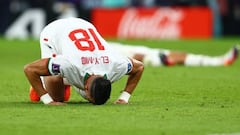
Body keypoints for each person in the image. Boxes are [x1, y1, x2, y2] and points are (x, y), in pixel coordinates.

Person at [23, 17, 144, 105]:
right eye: (90, 98)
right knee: (56, 96)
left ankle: (64, 80)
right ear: (86, 87)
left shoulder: (115, 65)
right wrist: (47, 100)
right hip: (54, 32)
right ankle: (43, 83)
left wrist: (124, 97)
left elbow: (139, 67)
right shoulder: (69, 64)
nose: (89, 100)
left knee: (64, 78)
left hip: (84, 25)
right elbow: (30, 69)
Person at [108, 42, 239, 67]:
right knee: (134, 56)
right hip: (112, 48)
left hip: (115, 45)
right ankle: (157, 60)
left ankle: (219, 61)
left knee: (177, 54)